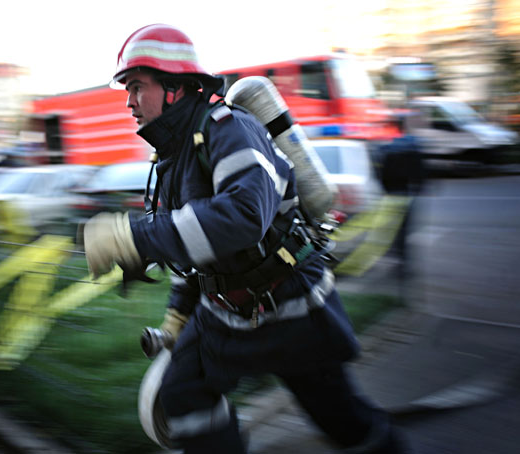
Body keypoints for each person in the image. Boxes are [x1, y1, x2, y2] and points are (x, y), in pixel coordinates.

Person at [83, 24, 409, 454]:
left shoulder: (229, 129)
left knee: (343, 420)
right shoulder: (171, 158)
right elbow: (191, 247)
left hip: (292, 307)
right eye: (127, 89)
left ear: (176, 88)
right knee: (183, 395)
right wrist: (178, 318)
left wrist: (132, 238)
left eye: (137, 87)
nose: (128, 101)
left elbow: (242, 217)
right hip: (225, 312)